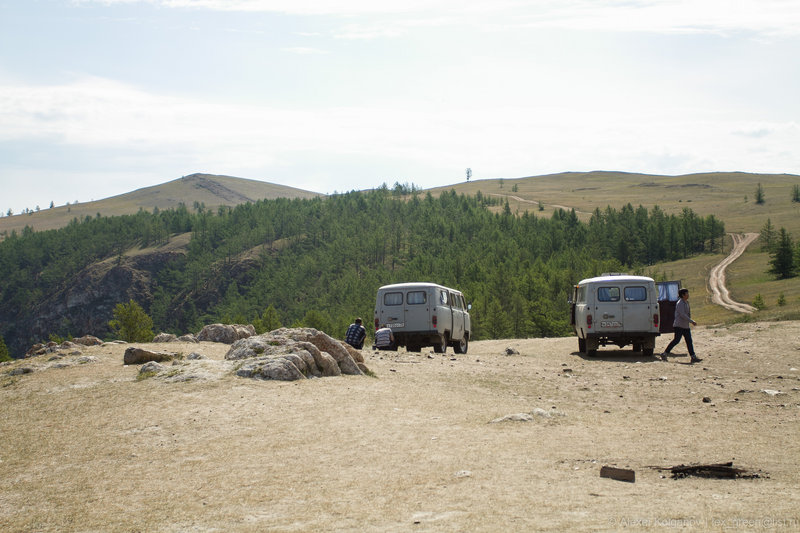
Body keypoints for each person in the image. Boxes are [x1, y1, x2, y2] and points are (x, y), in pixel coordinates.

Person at [662, 288, 701, 363]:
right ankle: (665, 353)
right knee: (676, 340)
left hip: (685, 326)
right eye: (687, 293)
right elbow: (682, 314)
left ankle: (693, 356)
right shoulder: (680, 303)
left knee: (689, 341)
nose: (688, 295)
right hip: (679, 325)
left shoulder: (686, 302)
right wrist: (691, 321)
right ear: (683, 295)